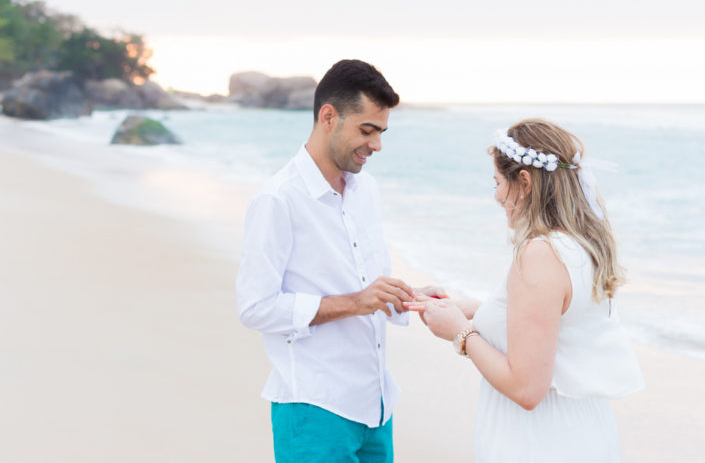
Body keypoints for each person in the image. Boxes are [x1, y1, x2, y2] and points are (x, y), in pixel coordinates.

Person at [236, 59, 443, 462]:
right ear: (328, 117)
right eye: (367, 130)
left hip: (376, 404)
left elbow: (367, 283)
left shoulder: (367, 190)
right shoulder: (277, 200)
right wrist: (355, 302)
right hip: (315, 409)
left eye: (381, 132)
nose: (376, 145)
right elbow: (254, 307)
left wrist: (408, 296)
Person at [405, 119, 645, 462]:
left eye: (498, 182)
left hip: (541, 443)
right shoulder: (582, 245)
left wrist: (459, 331)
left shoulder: (540, 254)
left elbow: (526, 388)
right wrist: (460, 307)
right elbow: (545, 315)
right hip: (583, 434)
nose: (497, 195)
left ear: (525, 182)